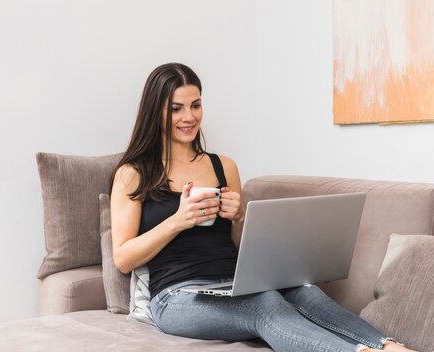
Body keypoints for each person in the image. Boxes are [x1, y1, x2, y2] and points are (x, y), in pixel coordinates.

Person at [109, 63, 415, 352]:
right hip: (175, 297)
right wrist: (178, 220)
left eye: (196, 105)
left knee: (304, 291)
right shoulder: (133, 173)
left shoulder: (223, 167)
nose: (189, 117)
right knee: (265, 305)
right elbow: (123, 258)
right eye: (176, 108)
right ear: (155, 111)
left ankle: (389, 346)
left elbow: (240, 246)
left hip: (233, 282)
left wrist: (240, 216)